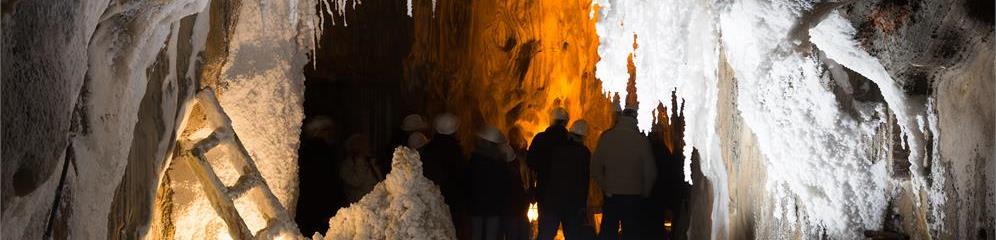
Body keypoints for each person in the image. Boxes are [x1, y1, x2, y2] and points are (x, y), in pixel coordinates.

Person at [591, 106, 656, 240]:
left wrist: (606, 186)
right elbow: (651, 172)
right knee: (632, 234)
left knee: (608, 233)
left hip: (611, 197)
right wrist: (644, 192)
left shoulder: (607, 137)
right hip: (633, 197)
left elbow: (595, 168)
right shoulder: (641, 140)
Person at [537, 120, 593, 240]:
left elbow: (547, 173)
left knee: (546, 235)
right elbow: (584, 180)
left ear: (570, 134)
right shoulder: (585, 153)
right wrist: (583, 204)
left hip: (553, 201)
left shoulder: (557, 150)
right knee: (573, 235)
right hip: (573, 204)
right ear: (583, 137)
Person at [418, 113, 468, 239]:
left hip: (432, 197)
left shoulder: (429, 148)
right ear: (454, 130)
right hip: (453, 198)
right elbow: (461, 175)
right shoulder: (455, 150)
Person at [469, 125, 514, 240]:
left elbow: (468, 183)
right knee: (491, 236)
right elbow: (506, 186)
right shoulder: (500, 163)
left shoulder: (474, 160)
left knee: (476, 236)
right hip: (494, 207)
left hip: (477, 206)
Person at [527, 107, 571, 223]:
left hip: (545, 191)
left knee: (546, 230)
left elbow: (530, 162)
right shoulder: (571, 141)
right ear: (566, 122)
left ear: (551, 121)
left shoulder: (540, 138)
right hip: (566, 193)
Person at [340, 134, 383, 203]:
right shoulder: (346, 166)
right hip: (360, 204)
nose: (365, 147)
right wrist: (360, 161)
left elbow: (380, 181)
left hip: (376, 200)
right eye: (360, 144)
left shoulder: (371, 162)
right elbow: (356, 182)